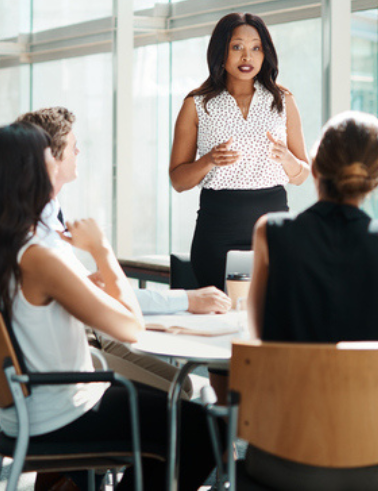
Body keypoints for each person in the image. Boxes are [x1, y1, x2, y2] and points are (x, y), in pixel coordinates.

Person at [0, 122, 217, 490]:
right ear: (32, 171)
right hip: (63, 414)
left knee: (170, 417)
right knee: (206, 430)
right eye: (49, 155)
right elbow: (130, 328)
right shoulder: (39, 256)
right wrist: (102, 250)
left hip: (27, 412)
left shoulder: (3, 248)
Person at [15, 106, 231, 396]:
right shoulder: (37, 241)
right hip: (71, 356)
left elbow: (91, 295)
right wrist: (101, 249)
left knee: (184, 383)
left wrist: (86, 284)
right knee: (178, 392)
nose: (78, 152)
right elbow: (125, 321)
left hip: (82, 338)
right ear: (49, 157)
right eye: (72, 146)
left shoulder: (44, 219)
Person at [248, 110, 378, 343]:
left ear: (315, 168)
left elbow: (257, 337)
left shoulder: (269, 231)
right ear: (377, 177)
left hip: (289, 379)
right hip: (377, 380)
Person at [169, 12, 309, 291]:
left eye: (256, 48)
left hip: (273, 231)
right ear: (220, 51)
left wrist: (287, 159)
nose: (248, 56)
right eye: (237, 47)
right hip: (218, 231)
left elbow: (301, 174)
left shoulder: (282, 100)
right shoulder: (197, 104)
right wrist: (209, 161)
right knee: (221, 314)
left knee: (273, 315)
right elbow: (178, 180)